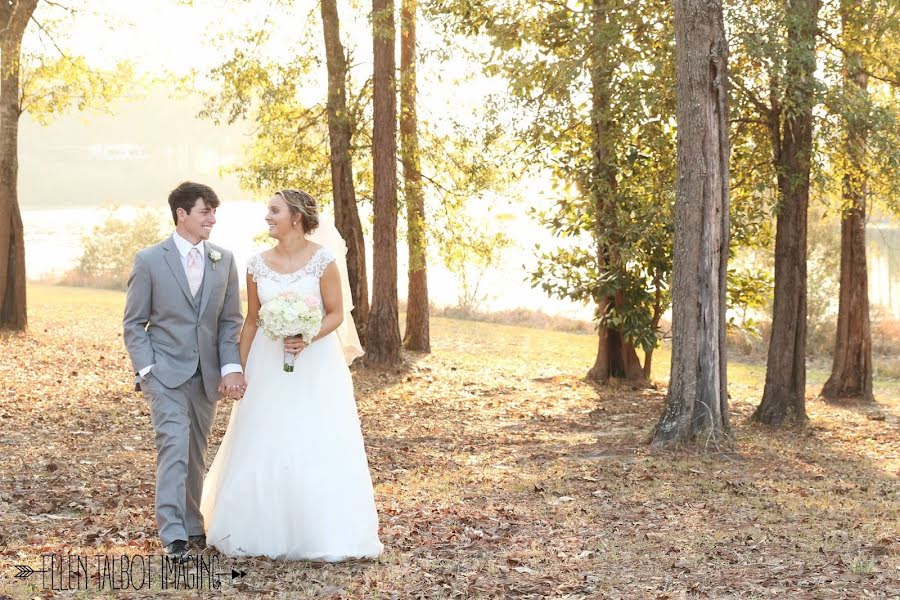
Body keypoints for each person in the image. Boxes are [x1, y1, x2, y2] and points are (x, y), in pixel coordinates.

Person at [200, 189, 383, 561]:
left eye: (274, 210)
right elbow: (251, 321)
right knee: (263, 436)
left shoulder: (323, 261)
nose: (267, 217)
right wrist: (237, 369)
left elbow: (336, 313)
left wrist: (307, 335)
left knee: (313, 438)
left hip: (314, 365)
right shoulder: (256, 264)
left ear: (295, 217)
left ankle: (319, 530)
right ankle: (257, 528)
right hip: (268, 365)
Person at [123, 181, 246, 558]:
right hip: (165, 375)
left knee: (195, 452)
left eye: (214, 212)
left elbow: (230, 321)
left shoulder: (223, 260)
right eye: (204, 211)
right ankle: (173, 533)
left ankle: (193, 525)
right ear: (182, 215)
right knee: (174, 446)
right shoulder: (149, 260)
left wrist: (230, 368)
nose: (212, 218)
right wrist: (148, 370)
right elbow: (134, 324)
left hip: (206, 375)